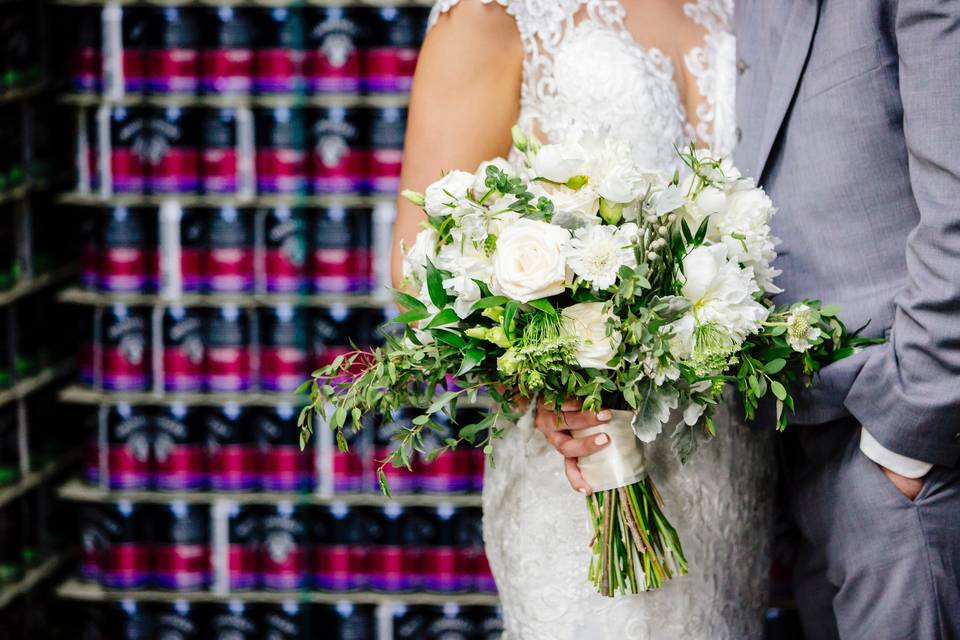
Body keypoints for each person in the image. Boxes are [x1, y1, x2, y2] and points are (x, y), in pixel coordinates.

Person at [392, 1, 774, 638]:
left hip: (727, 459)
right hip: (578, 463)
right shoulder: (493, 13)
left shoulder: (738, 10)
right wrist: (543, 368)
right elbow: (419, 262)